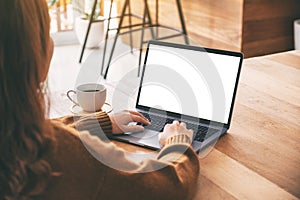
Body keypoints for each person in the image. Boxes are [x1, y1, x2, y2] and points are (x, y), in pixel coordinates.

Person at [0, 0, 200, 199]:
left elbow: (33, 130)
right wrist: (178, 143)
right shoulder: (63, 154)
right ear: (30, 53)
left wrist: (101, 123)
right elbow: (168, 188)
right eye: (46, 33)